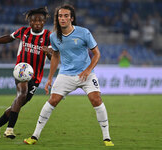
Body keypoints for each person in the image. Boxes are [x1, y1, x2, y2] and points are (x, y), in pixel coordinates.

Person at [23, 4, 114, 146]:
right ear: (57, 18)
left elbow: (97, 54)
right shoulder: (54, 37)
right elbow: (55, 57)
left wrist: (89, 69)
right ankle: (34, 136)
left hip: (86, 74)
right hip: (66, 74)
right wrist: (49, 78)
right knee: (52, 101)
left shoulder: (84, 33)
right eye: (60, 16)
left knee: (96, 100)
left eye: (66, 16)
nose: (63, 18)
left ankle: (107, 138)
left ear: (71, 18)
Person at [0, 7, 52, 139]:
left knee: (20, 101)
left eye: (40, 20)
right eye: (34, 20)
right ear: (29, 22)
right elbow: (9, 38)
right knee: (22, 93)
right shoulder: (24, 31)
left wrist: (48, 53)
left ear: (44, 22)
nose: (37, 22)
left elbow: (52, 55)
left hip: (36, 75)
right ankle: (9, 129)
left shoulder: (49, 36)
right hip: (21, 70)